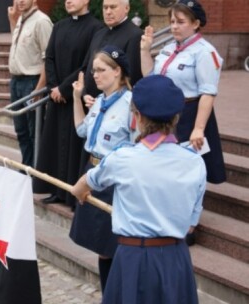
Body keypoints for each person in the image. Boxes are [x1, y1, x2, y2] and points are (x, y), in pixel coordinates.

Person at [71, 75, 205, 304]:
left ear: (137, 116)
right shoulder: (195, 162)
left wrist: (81, 192)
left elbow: (82, 186)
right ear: (176, 118)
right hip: (176, 258)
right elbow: (191, 223)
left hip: (135, 257)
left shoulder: (122, 158)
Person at [69, 45, 133, 293]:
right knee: (101, 245)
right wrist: (77, 99)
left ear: (117, 71)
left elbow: (137, 145)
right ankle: (109, 295)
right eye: (94, 70)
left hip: (114, 179)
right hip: (92, 172)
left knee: (113, 245)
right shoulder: (100, 102)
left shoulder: (130, 104)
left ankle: (118, 295)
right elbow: (81, 130)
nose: (95, 75)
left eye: (101, 70)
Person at [140, 0, 226, 185]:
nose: (174, 26)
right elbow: (150, 76)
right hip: (164, 116)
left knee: (185, 170)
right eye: (172, 22)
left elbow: (208, 93)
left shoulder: (205, 52)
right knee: (163, 167)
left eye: (180, 22)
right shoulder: (169, 48)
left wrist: (199, 128)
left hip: (188, 116)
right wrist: (145, 50)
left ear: (195, 24)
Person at [33, 0, 103, 207]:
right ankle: (56, 190)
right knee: (55, 145)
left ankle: (72, 194)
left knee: (74, 145)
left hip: (76, 96)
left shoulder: (95, 28)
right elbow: (50, 58)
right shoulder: (59, 26)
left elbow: (87, 64)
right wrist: (53, 87)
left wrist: (64, 89)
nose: (68, 1)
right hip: (57, 97)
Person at [7, 0, 53, 167]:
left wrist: (39, 89)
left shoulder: (41, 21)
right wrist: (12, 20)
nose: (20, 1)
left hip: (32, 82)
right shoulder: (21, 18)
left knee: (35, 132)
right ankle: (26, 167)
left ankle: (37, 172)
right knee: (21, 131)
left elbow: (49, 59)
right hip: (16, 81)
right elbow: (19, 44)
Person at [81, 0, 143, 102]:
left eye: (113, 7)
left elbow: (131, 76)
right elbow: (86, 67)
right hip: (90, 104)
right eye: (105, 8)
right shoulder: (98, 34)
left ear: (127, 8)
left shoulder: (135, 35)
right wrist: (84, 94)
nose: (108, 12)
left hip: (116, 105)